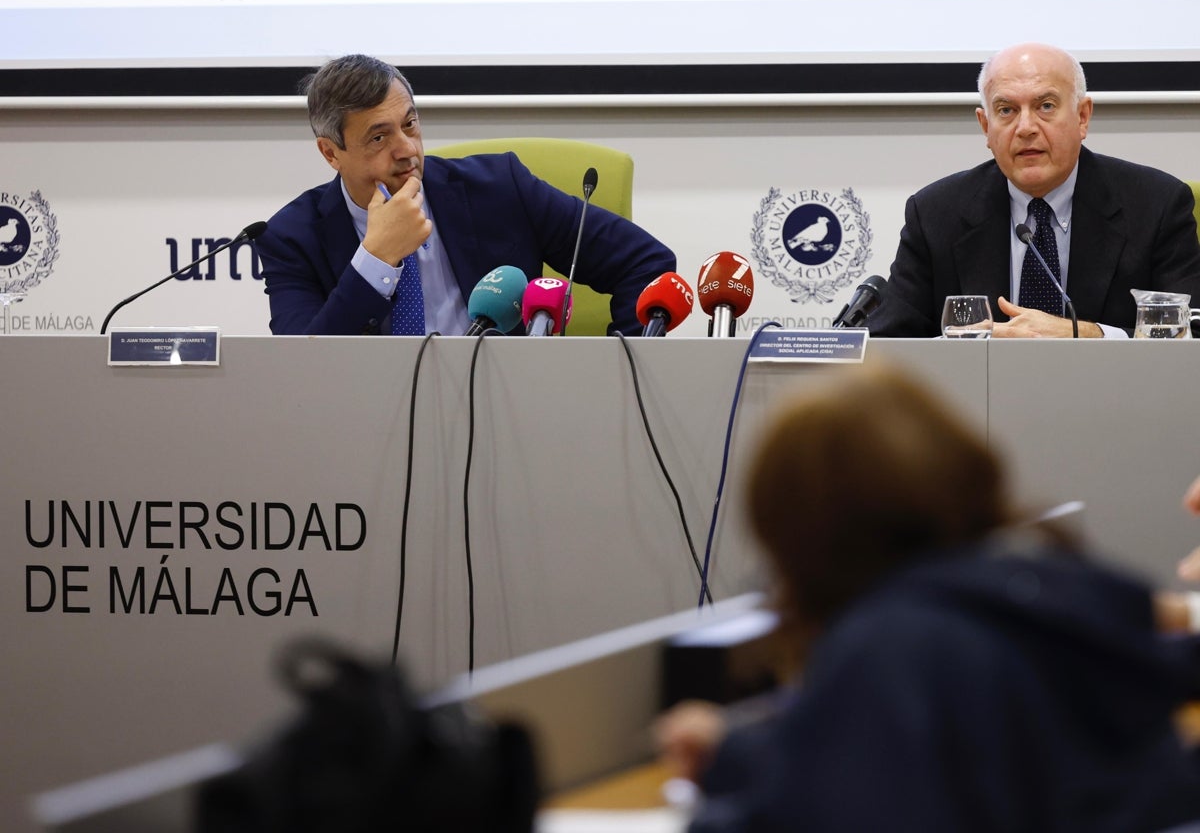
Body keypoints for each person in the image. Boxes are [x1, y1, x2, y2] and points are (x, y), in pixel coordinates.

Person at [656, 366, 1200, 832]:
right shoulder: (1050, 579)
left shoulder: (891, 642)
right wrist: (737, 753)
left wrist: (723, 774)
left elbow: (840, 804)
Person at [257, 54, 675, 336]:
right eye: (379, 137)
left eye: (410, 125)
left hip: (505, 417)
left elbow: (646, 263)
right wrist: (376, 259)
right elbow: (305, 367)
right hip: (372, 434)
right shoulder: (292, 237)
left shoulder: (499, 188)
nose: (406, 149)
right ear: (331, 152)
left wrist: (618, 370)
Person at [868, 42, 1200, 338]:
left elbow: (1192, 334)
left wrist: (1089, 335)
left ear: (1082, 117)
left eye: (1045, 106)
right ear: (986, 127)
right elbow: (892, 340)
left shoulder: (1156, 205)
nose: (1026, 128)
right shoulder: (936, 213)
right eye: (1006, 110)